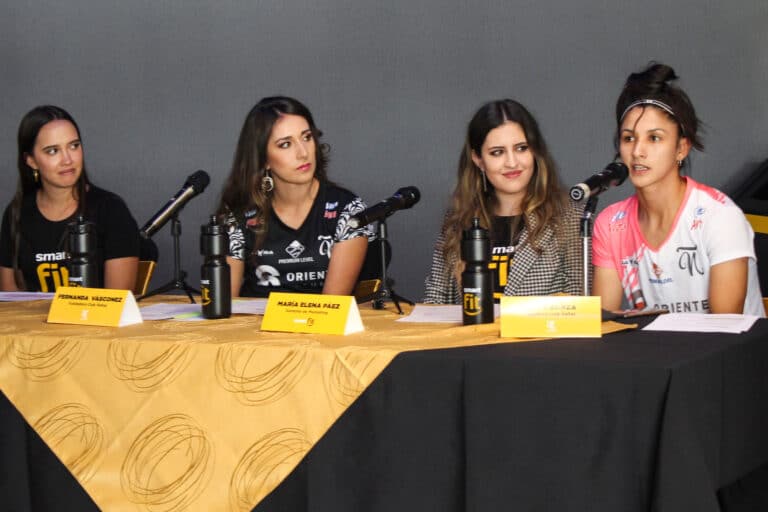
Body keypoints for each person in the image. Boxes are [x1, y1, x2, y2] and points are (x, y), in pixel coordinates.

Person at [592, 63, 765, 316]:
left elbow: (724, 332)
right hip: (654, 354)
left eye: (654, 138)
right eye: (629, 138)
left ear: (681, 149)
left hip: (725, 353)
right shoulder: (610, 224)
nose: (638, 151)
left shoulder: (720, 217)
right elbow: (604, 324)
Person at [423, 99, 583, 303]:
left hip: (543, 336)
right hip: (470, 334)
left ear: (535, 151)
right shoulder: (458, 220)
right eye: (497, 152)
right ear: (478, 159)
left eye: (521, 148)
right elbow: (434, 299)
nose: (512, 162)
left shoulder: (569, 217)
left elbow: (579, 304)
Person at [217, 96, 374, 297]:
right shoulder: (239, 215)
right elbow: (223, 309)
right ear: (263, 159)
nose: (303, 153)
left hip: (322, 326)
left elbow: (332, 308)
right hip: (253, 327)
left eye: (307, 137)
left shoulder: (348, 210)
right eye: (285, 144)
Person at [0, 105, 140, 292]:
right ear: (31, 160)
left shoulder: (111, 210)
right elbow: (10, 304)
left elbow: (117, 301)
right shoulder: (16, 213)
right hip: (32, 322)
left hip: (93, 321)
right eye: (52, 151)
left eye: (74, 146)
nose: (67, 159)